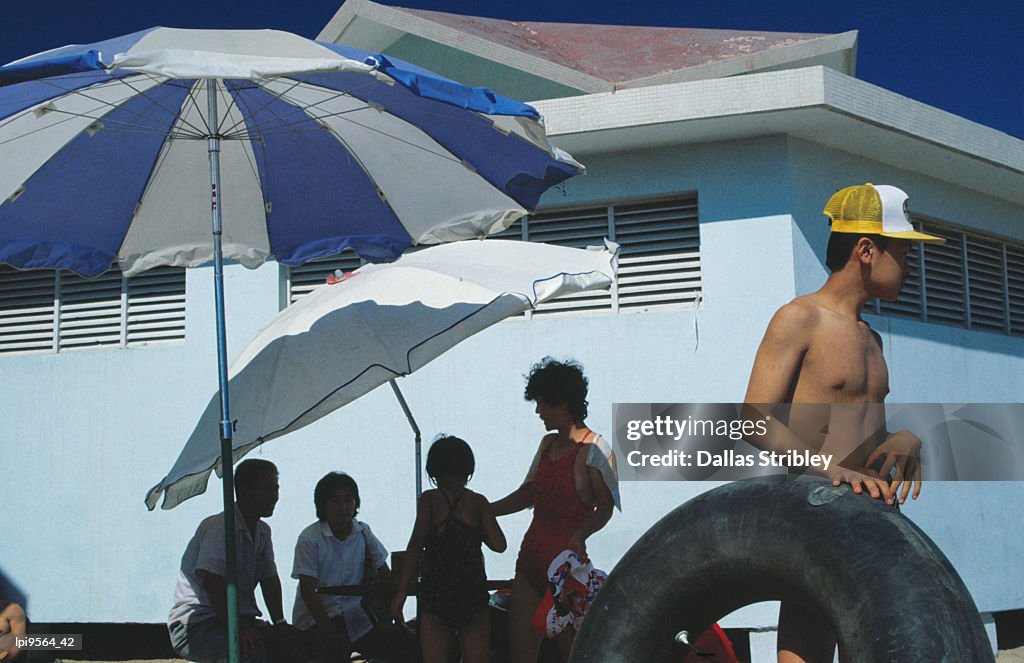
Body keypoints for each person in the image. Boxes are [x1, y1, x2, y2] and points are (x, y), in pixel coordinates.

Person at [743, 183, 944, 663]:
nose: (911, 266)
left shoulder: (871, 337)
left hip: (876, 523)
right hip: (817, 517)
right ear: (867, 250)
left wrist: (903, 437)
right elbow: (751, 419)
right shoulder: (800, 318)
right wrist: (831, 471)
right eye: (905, 252)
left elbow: (859, 431)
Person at [492, 358, 621, 662]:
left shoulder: (595, 449)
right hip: (530, 562)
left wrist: (581, 534)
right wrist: (487, 509)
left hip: (565, 571)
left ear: (561, 402)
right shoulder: (547, 444)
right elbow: (528, 493)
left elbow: (605, 507)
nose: (538, 411)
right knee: (520, 654)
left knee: (571, 654)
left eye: (542, 404)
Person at [168, 458, 303, 663]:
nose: (274, 496)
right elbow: (213, 584)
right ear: (244, 492)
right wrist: (238, 628)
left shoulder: (263, 532)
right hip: (197, 625)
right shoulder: (220, 527)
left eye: (276, 489)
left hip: (240, 621)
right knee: (250, 652)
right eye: (267, 489)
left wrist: (280, 621)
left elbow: (269, 579)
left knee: (293, 645)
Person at [392, 435, 506, 663]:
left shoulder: (430, 500)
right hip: (472, 593)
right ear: (467, 469)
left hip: (437, 593)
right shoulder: (477, 502)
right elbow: (499, 545)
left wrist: (401, 593)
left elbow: (415, 547)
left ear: (434, 471)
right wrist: (477, 529)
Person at [291, 472, 417, 663]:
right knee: (334, 649)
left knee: (402, 644)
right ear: (323, 505)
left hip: (358, 620)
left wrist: (395, 613)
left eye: (348, 500)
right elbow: (309, 592)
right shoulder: (310, 539)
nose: (343, 507)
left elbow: (385, 573)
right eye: (335, 501)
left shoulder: (363, 532)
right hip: (317, 623)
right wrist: (329, 632)